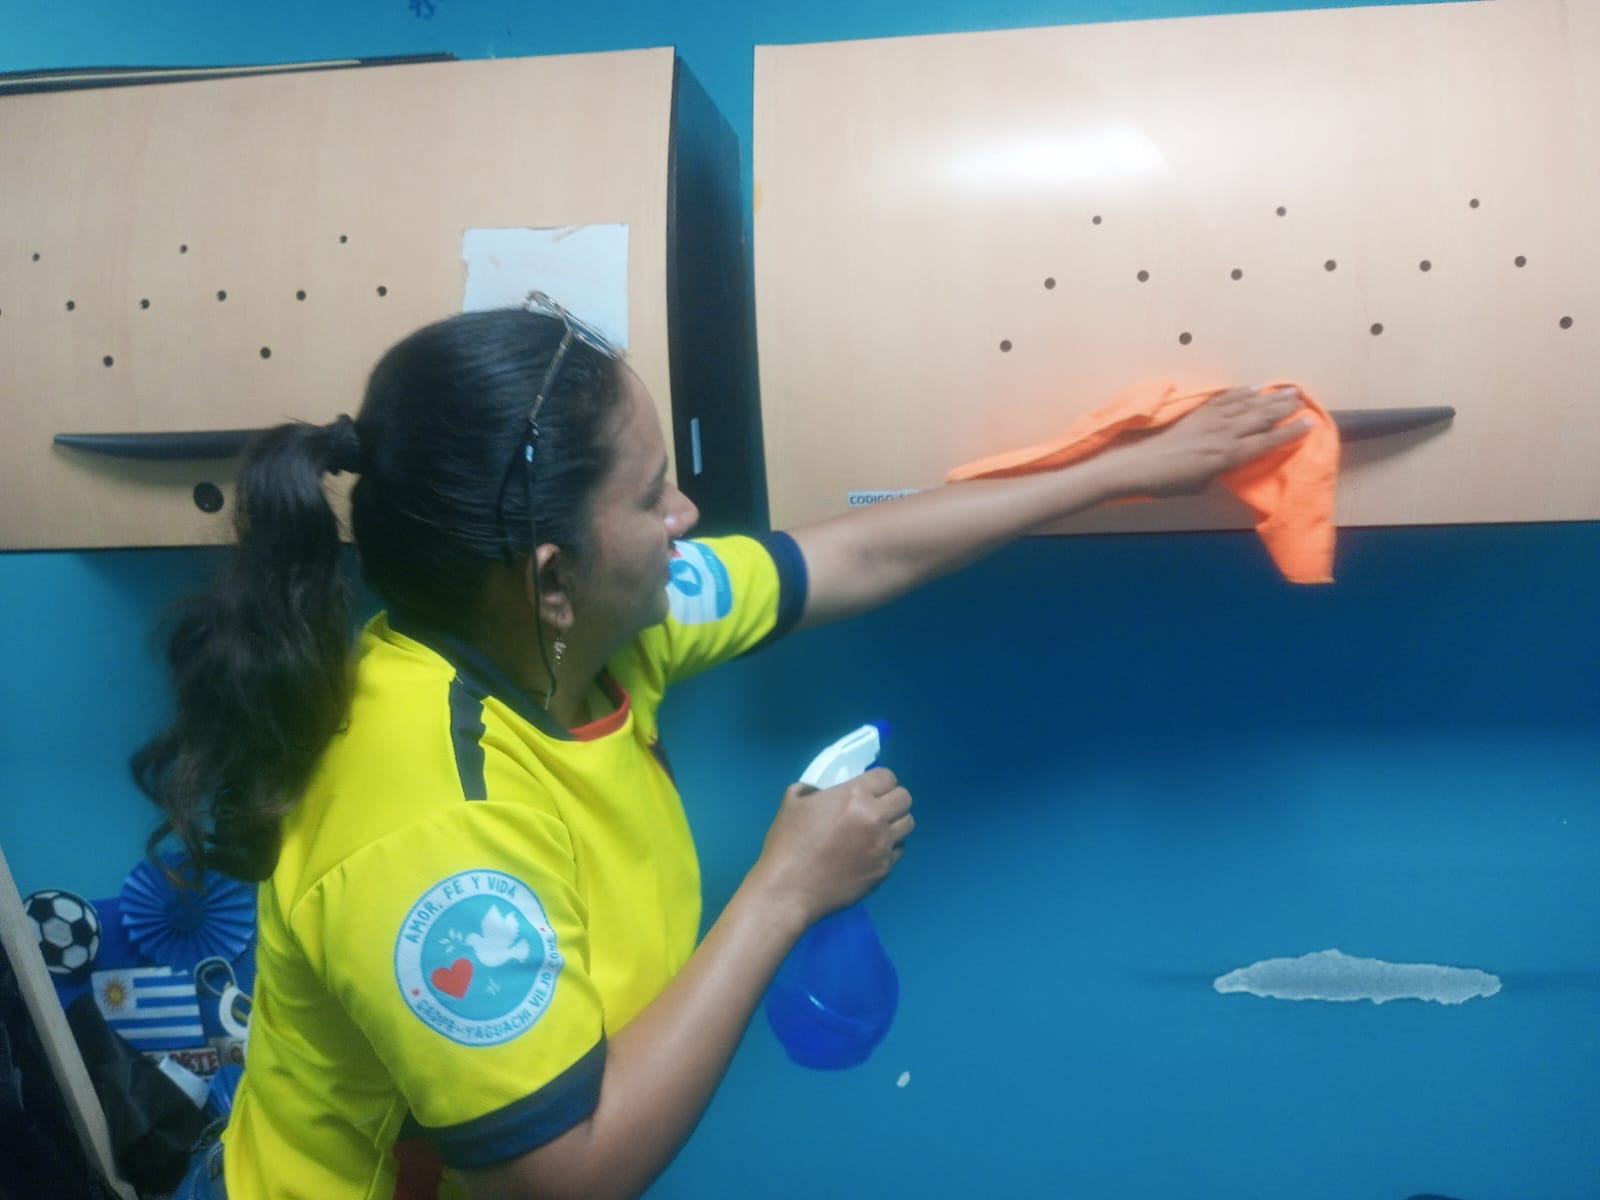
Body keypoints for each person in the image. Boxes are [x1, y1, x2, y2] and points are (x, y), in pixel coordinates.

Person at [140, 292, 1308, 1200]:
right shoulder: (434, 820)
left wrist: (1118, 473)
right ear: (551, 579)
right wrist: (784, 890)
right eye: (652, 497)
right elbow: (563, 1176)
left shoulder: (588, 629)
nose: (686, 517)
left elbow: (851, 556)